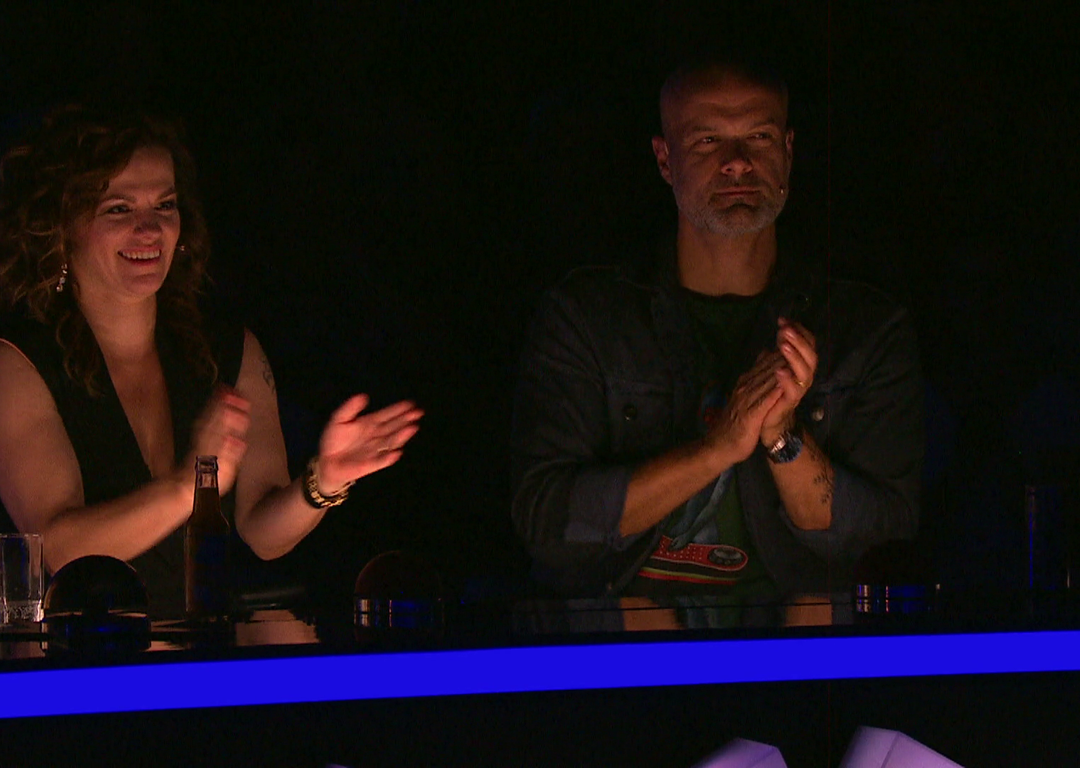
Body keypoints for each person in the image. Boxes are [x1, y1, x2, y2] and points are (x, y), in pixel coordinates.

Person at [511, 56, 923, 599]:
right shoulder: (588, 318)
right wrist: (717, 449)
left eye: (758, 136)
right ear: (665, 159)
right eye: (707, 141)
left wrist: (782, 437)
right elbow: (547, 525)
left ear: (788, 151)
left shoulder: (863, 327)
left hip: (797, 642)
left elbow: (883, 544)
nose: (737, 163)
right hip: (623, 639)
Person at [0, 106, 423, 616]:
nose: (149, 228)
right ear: (61, 226)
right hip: (83, 653)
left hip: (205, 647)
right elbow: (61, 550)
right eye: (118, 209)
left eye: (165, 205)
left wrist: (323, 482)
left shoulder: (225, 347)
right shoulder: (18, 362)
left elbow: (263, 533)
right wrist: (188, 487)